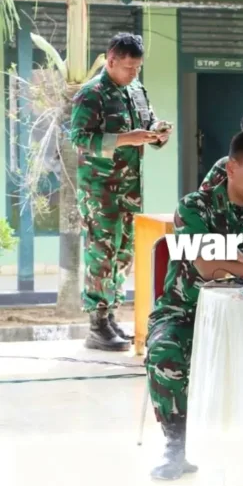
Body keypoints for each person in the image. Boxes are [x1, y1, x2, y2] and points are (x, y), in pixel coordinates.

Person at [144, 131, 243, 481]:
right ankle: (175, 446)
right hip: (186, 312)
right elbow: (206, 265)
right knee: (165, 351)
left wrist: (241, 261)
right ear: (232, 167)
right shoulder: (196, 206)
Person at [70, 32, 172, 351]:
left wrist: (158, 134)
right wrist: (126, 138)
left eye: (138, 68)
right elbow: (79, 139)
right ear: (111, 60)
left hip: (130, 187)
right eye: (128, 67)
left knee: (124, 253)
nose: (133, 74)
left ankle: (111, 315)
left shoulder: (136, 90)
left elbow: (148, 124)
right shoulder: (91, 94)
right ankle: (97, 323)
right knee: (102, 253)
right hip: (100, 189)